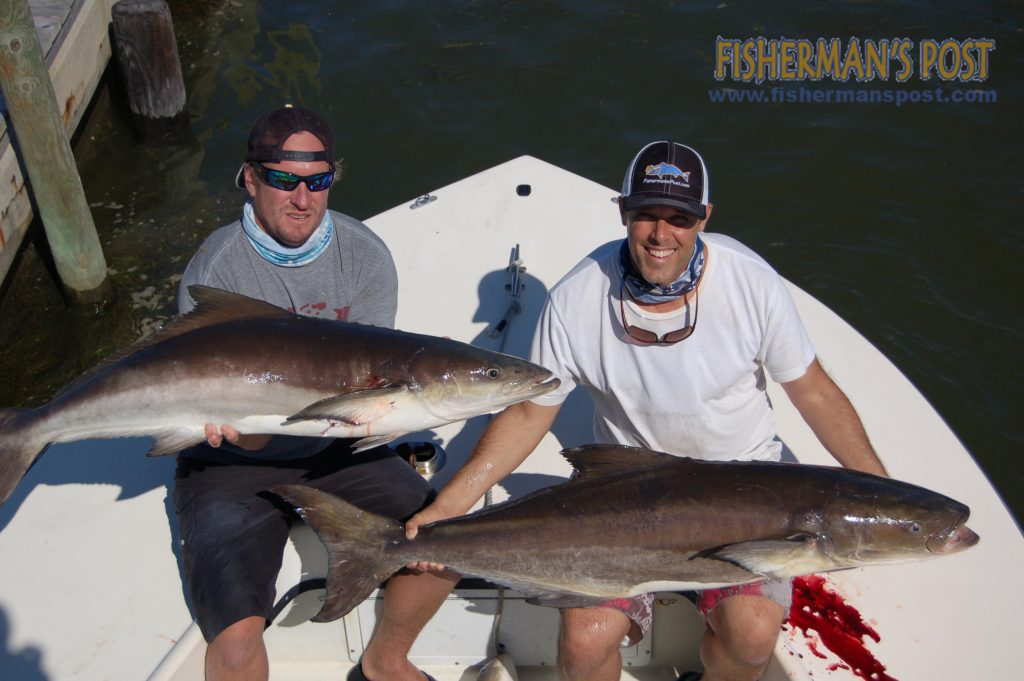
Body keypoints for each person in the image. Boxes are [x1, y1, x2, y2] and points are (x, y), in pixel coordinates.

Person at [406, 140, 888, 681]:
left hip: (742, 489)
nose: (661, 234)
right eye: (646, 216)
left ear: (704, 217)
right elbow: (528, 414)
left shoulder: (751, 281)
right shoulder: (576, 298)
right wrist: (450, 505)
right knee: (584, 643)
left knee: (751, 636)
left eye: (679, 217)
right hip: (630, 493)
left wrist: (875, 484)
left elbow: (813, 390)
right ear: (623, 212)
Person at [174, 104, 455, 681]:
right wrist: (232, 431)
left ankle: (386, 659)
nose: (302, 198)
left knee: (445, 544)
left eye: (317, 181)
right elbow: (206, 400)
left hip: (338, 447)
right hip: (230, 459)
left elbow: (376, 394)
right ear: (250, 180)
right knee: (231, 644)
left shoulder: (365, 255)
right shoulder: (216, 271)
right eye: (283, 180)